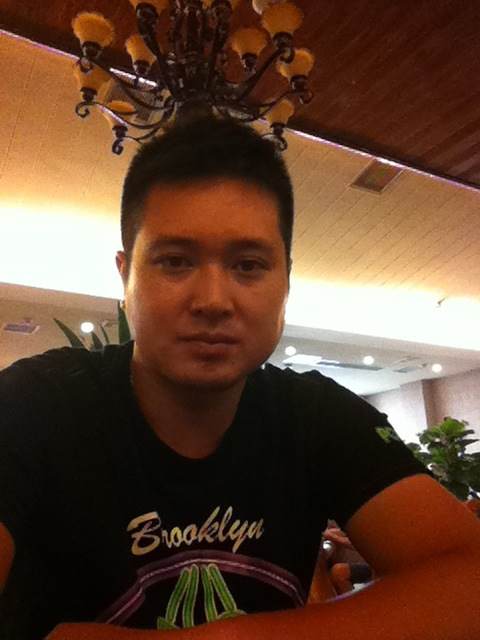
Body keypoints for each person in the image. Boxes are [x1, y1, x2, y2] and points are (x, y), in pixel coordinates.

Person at [1, 115, 479, 640]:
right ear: (125, 275)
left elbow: (466, 575)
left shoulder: (315, 416)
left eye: (248, 266)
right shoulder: (34, 406)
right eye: (175, 262)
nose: (213, 301)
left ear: (286, 281)